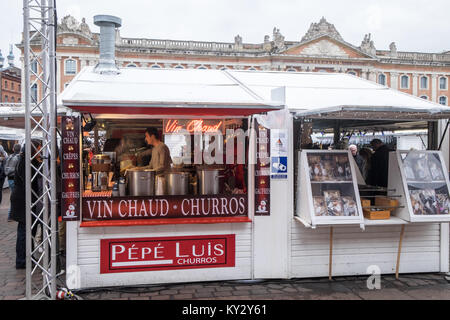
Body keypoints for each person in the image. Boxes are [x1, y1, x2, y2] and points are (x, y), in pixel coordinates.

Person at [11, 140, 42, 269]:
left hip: (25, 199)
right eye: (39, 149)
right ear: (33, 150)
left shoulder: (26, 161)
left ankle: (25, 257)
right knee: (25, 230)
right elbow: (30, 182)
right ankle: (22, 259)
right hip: (24, 200)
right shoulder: (26, 163)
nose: (41, 151)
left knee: (28, 229)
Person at [4, 144, 21, 221]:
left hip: (9, 179)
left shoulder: (9, 157)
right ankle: (11, 215)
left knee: (13, 197)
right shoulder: (18, 158)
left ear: (13, 149)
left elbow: (5, 169)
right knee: (15, 198)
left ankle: (11, 215)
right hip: (15, 179)